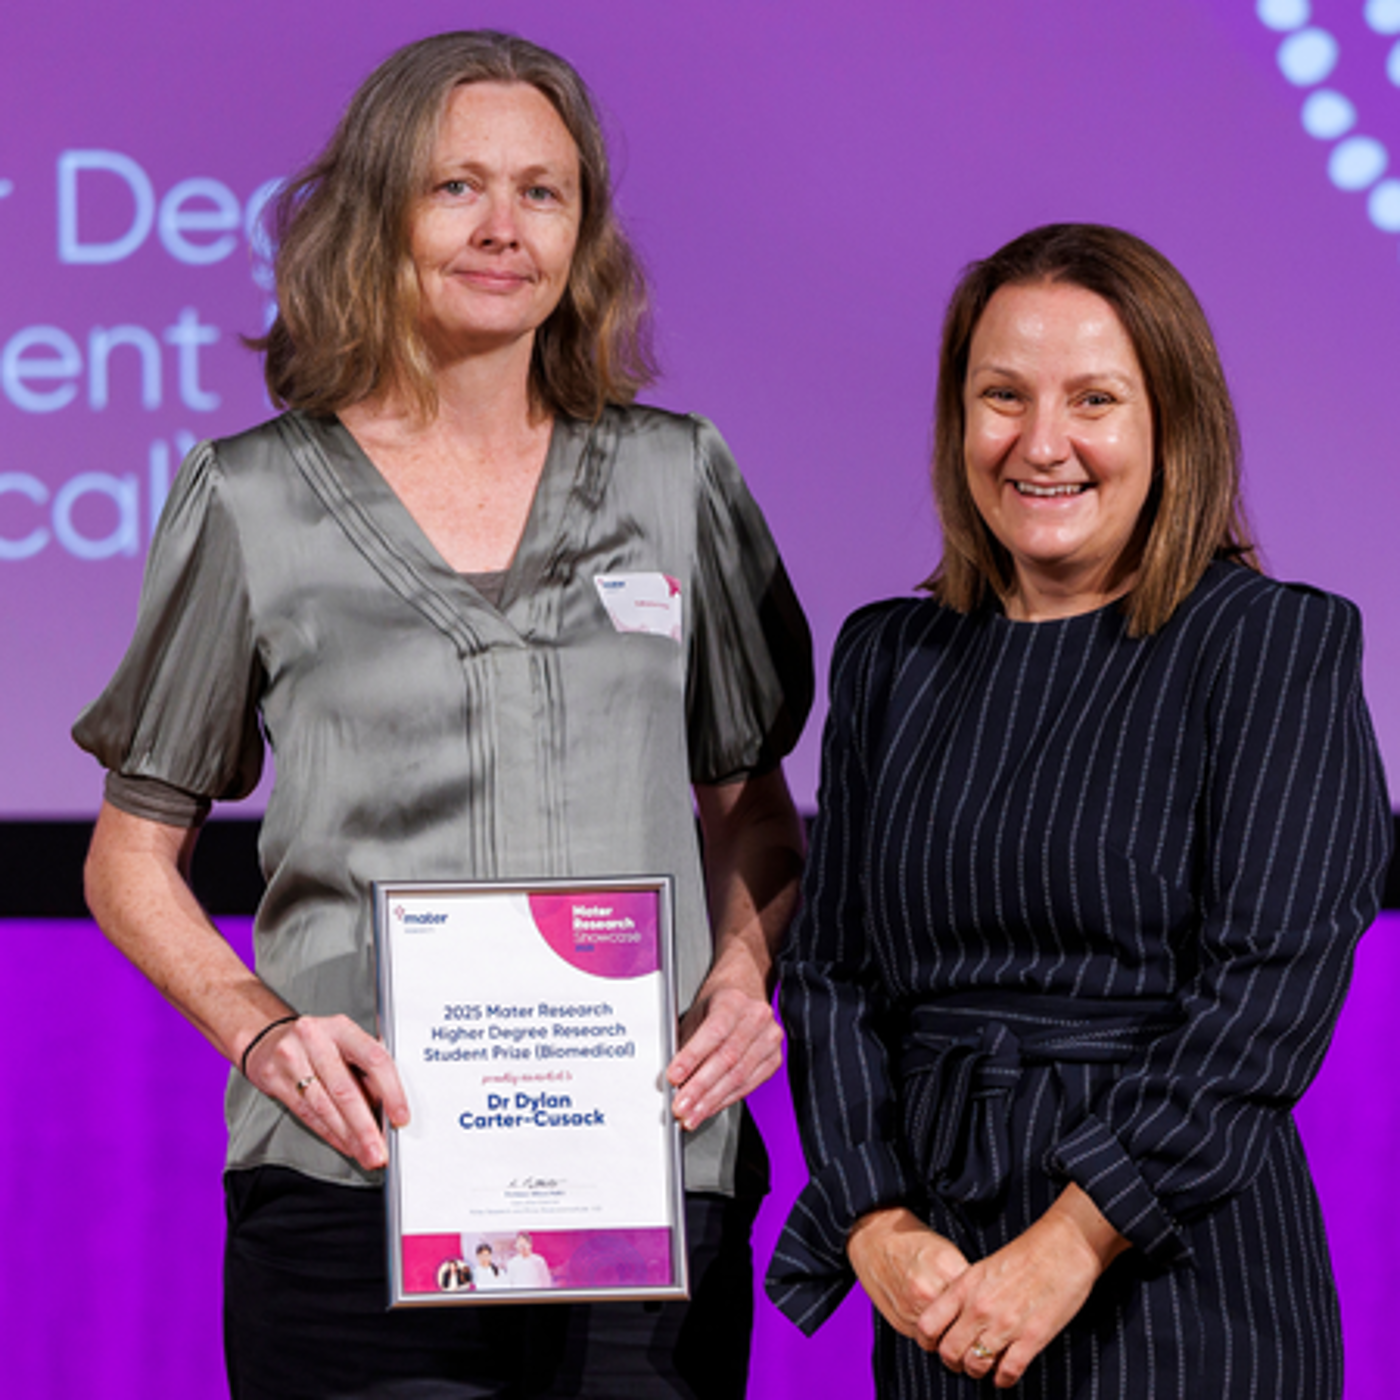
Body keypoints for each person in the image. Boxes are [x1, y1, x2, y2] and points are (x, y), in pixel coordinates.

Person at [74, 30, 811, 1399]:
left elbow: (754, 815)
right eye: (456, 186)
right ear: (377, 215)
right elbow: (129, 858)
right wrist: (261, 1029)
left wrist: (740, 977)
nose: (502, 228)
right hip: (355, 1179)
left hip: (638, 1178)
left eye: (542, 192)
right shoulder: (252, 499)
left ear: (583, 232)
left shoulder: (678, 479)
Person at [766, 223, 1391, 1397]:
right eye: (1001, 395)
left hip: (1177, 1267)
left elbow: (1265, 990)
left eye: (1092, 399)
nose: (1039, 442)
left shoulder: (1271, 644)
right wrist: (872, 1219)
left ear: (1170, 424)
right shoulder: (889, 657)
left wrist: (1072, 1237)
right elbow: (829, 974)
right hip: (939, 1270)